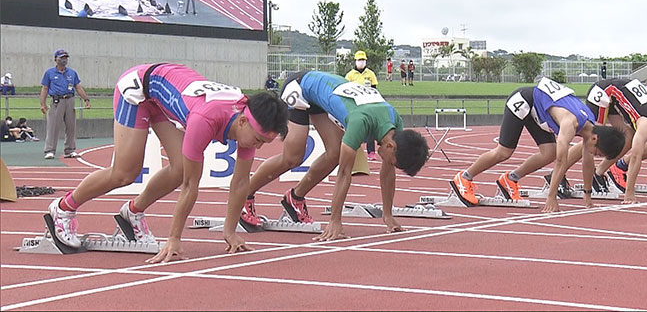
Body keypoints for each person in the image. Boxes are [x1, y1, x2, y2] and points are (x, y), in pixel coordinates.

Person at [46, 63, 288, 259]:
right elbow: (190, 187)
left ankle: (132, 212)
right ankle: (63, 208)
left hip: (162, 94)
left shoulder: (249, 122)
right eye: (257, 140)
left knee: (180, 168)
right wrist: (174, 238)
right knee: (124, 173)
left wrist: (230, 232)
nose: (256, 147)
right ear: (243, 122)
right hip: (138, 91)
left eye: (262, 144)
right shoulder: (204, 120)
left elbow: (240, 182)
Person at [235, 70, 429, 241]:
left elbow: (388, 174)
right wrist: (335, 221)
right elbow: (344, 173)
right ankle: (244, 195)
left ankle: (295, 198)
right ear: (390, 146)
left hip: (321, 98)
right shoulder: (361, 122)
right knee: (293, 157)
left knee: (334, 153)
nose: (389, 164)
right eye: (392, 161)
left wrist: (388, 215)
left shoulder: (397, 126)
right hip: (300, 87)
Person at [450, 77, 625, 211]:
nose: (595, 155)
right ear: (595, 140)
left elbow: (588, 164)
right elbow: (561, 161)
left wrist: (588, 197)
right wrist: (551, 196)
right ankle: (464, 177)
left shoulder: (593, 128)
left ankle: (510, 179)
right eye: (598, 153)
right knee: (505, 151)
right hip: (524, 101)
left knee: (548, 152)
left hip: (539, 112)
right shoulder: (570, 123)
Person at [576, 78, 647, 205]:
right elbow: (635, 158)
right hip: (604, 92)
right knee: (591, 140)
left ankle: (597, 173)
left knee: (626, 139)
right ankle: (558, 175)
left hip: (617, 97)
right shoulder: (646, 125)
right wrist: (629, 193)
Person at [40, 49, 90, 160]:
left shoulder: (72, 73)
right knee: (53, 126)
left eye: (66, 58)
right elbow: (45, 88)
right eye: (61, 58)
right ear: (56, 59)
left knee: (71, 126)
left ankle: (70, 150)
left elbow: (78, 87)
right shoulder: (49, 73)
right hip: (57, 101)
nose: (64, 60)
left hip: (70, 99)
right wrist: (42, 104)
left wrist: (86, 99)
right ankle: (50, 150)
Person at [345, 50, 380, 159]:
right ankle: (354, 152)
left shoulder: (370, 74)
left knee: (370, 128)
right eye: (359, 60)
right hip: (355, 104)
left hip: (368, 104)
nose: (361, 62)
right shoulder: (350, 75)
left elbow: (374, 88)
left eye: (363, 60)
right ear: (355, 61)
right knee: (355, 128)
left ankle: (371, 152)